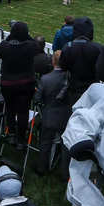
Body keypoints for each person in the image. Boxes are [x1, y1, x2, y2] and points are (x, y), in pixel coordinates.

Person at [0, 22, 41, 150]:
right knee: (23, 111)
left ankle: (11, 133)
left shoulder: (5, 46)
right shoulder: (30, 46)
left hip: (8, 85)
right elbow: (37, 46)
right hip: (25, 85)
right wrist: (27, 36)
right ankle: (21, 140)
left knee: (10, 108)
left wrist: (10, 37)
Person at [34, 50, 70, 178]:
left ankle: (41, 169)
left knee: (45, 143)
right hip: (65, 116)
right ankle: (65, 173)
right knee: (66, 145)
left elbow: (37, 99)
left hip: (49, 115)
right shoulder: (69, 77)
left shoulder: (45, 79)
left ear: (53, 61)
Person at [59, 17, 102, 105]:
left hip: (75, 91)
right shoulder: (97, 48)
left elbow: (63, 67)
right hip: (92, 91)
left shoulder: (68, 47)